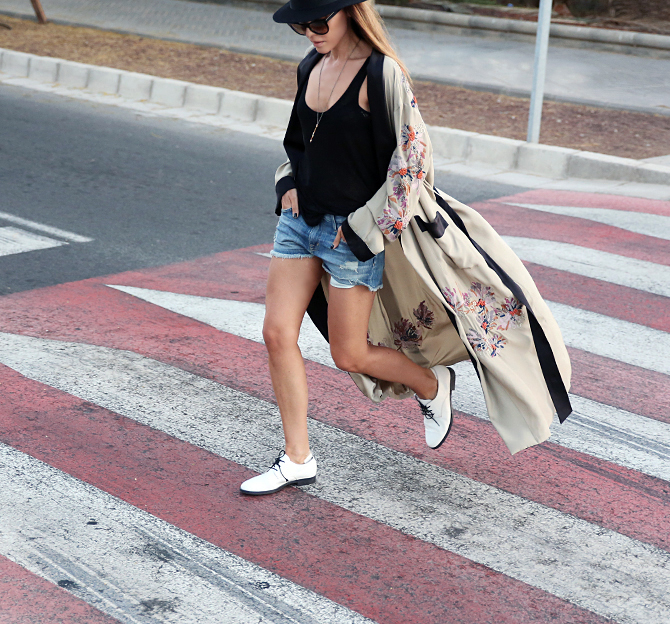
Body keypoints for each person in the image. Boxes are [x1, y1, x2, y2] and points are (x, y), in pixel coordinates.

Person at [241, 0, 573, 496]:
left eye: (318, 22)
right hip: (300, 224)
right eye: (299, 25)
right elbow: (300, 143)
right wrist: (286, 182)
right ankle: (297, 458)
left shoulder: (383, 74)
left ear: (350, 11)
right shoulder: (310, 65)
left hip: (353, 236)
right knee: (275, 333)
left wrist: (365, 229)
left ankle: (431, 384)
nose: (309, 32)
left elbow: (412, 164)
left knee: (349, 354)